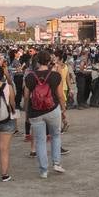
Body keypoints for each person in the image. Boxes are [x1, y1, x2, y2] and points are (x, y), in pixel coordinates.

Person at [23, 49, 65, 178]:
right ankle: (57, 163)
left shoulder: (30, 76)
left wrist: (26, 112)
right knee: (55, 136)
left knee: (40, 141)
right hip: (53, 109)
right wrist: (63, 109)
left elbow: (26, 96)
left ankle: (43, 170)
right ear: (49, 61)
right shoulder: (55, 76)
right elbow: (60, 95)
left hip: (35, 112)